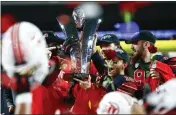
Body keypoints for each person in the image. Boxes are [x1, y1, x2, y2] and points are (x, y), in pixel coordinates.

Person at [125, 30, 175, 99]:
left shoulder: (163, 63)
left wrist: (162, 78)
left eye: (134, 43)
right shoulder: (128, 64)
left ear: (146, 44)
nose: (131, 47)